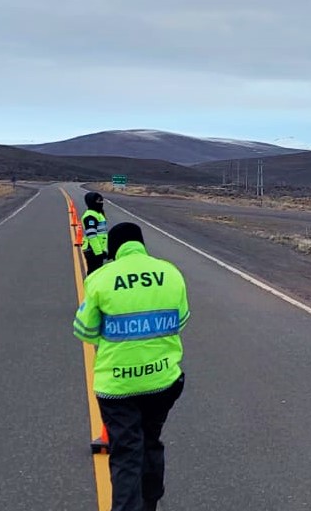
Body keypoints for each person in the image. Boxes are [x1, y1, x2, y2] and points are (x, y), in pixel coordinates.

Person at [73, 222, 190, 511]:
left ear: (113, 249)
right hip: (163, 381)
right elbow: (182, 320)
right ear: (141, 244)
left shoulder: (100, 278)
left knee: (126, 452)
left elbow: (84, 331)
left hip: (118, 387)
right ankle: (150, 502)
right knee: (151, 440)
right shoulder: (171, 273)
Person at [81, 191, 108, 274]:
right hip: (92, 250)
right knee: (94, 274)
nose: (100, 203)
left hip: (97, 249)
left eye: (101, 201)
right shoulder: (90, 216)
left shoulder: (98, 214)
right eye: (98, 201)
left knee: (98, 274)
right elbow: (91, 235)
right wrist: (98, 252)